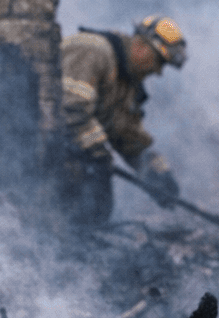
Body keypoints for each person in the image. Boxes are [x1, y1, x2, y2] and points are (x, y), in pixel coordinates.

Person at [59, 14, 187, 223]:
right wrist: (100, 154)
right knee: (88, 185)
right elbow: (70, 110)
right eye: (159, 62)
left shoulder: (125, 82)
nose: (158, 71)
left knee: (97, 200)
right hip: (32, 144)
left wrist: (156, 172)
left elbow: (126, 134)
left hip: (66, 151)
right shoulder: (93, 50)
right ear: (140, 46)